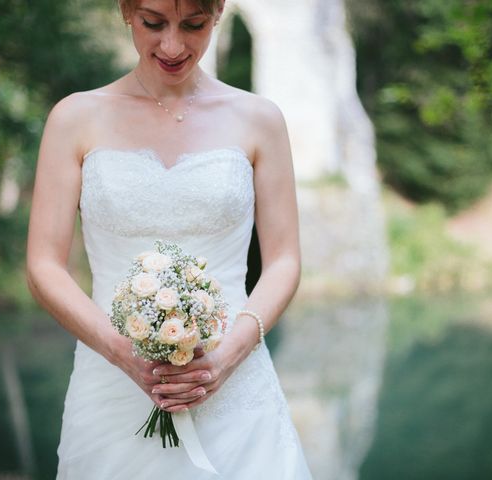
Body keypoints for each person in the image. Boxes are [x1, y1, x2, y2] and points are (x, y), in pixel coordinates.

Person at [26, 0, 312, 477]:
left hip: (235, 381)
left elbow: (284, 260)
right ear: (125, 10)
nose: (173, 45)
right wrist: (122, 353)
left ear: (218, 10)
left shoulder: (259, 119)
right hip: (112, 380)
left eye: (194, 25)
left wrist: (224, 360)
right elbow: (43, 266)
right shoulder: (74, 118)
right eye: (153, 23)